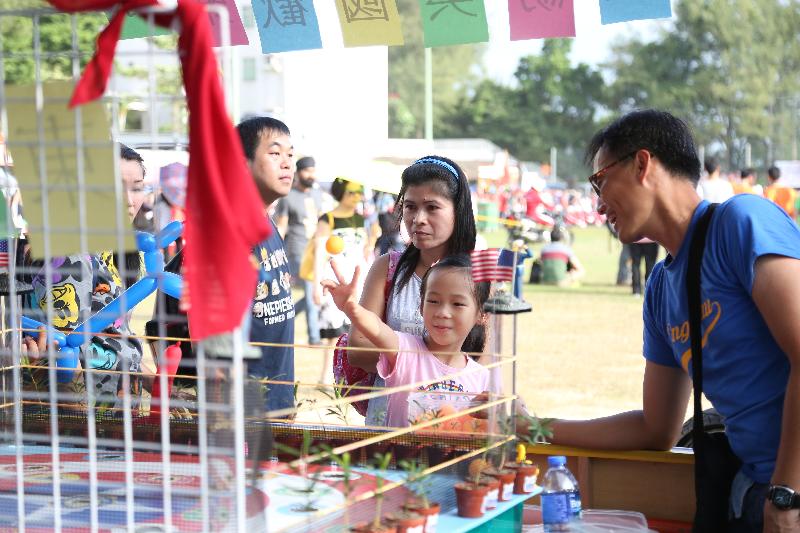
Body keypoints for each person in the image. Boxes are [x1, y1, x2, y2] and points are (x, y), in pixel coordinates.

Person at [537, 110, 800, 532]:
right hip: (755, 492)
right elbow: (657, 428)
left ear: (643, 164)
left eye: (600, 182)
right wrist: (535, 427)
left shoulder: (742, 222)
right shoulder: (660, 287)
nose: (599, 204)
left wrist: (788, 492)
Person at [345, 155, 477, 426]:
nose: (418, 219)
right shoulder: (387, 268)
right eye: (410, 207)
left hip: (457, 421)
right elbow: (357, 349)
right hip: (389, 423)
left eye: (432, 208)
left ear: (458, 210)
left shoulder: (480, 275)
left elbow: (489, 360)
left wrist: (399, 356)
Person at [23, 145, 148, 410]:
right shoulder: (69, 253)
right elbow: (64, 352)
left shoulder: (117, 251)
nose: (128, 200)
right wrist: (81, 424)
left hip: (116, 413)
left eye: (136, 187)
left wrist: (159, 386)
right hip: (82, 422)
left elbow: (115, 336)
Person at [323, 254, 490, 427]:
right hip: (396, 455)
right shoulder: (405, 350)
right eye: (433, 301)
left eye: (457, 304)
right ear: (421, 306)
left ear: (482, 314)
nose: (442, 312)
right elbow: (378, 329)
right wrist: (352, 308)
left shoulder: (481, 377)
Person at [236, 116, 296, 413]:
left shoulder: (266, 223)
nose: (287, 164)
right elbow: (166, 319)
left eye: (290, 155)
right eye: (275, 154)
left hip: (277, 403)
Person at [312, 177, 376, 383]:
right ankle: (324, 376)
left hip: (357, 279)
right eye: (352, 192)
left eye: (359, 192)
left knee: (355, 328)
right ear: (341, 193)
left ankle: (348, 376)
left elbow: (366, 245)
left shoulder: (360, 219)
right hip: (334, 280)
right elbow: (319, 251)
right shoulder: (327, 219)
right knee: (332, 332)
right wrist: (315, 283)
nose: (357, 196)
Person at [274, 155, 323, 347]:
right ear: (298, 173)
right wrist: (277, 249)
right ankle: (314, 337)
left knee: (311, 292)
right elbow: (282, 226)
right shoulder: (287, 196)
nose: (311, 175)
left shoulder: (318, 195)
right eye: (307, 171)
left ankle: (287, 316)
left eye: (313, 170)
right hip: (297, 249)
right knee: (311, 290)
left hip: (315, 250)